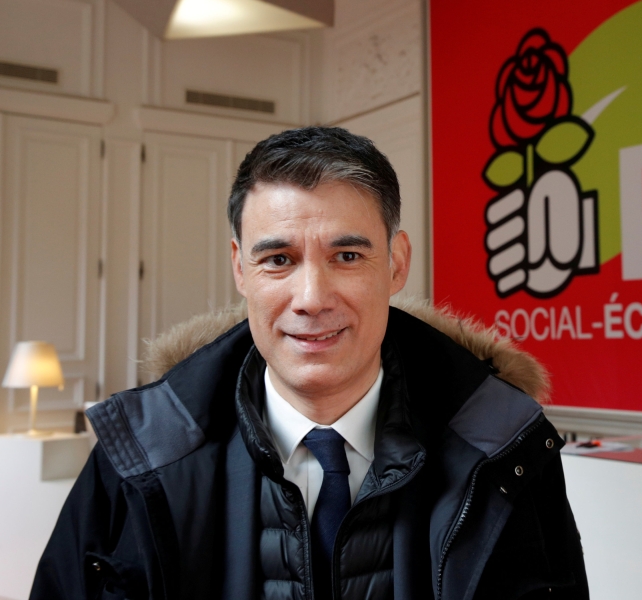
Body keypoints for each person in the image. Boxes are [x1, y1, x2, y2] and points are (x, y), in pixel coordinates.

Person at [29, 127, 588, 600]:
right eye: (279, 259)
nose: (312, 298)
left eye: (347, 256)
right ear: (239, 268)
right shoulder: (137, 459)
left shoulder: (507, 451)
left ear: (395, 264)